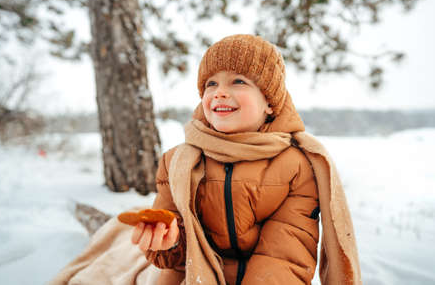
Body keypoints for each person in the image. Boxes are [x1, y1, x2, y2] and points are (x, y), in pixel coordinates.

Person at [130, 34, 361, 285]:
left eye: (238, 81)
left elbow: (284, 256)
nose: (220, 93)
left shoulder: (296, 166)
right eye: (211, 84)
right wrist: (169, 242)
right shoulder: (177, 162)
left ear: (269, 103)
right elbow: (175, 258)